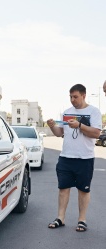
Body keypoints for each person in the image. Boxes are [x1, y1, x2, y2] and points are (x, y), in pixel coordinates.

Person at [47, 84, 102, 232]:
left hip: (85, 158)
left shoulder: (94, 112)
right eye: (70, 97)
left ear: (84, 95)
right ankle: (60, 218)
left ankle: (81, 220)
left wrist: (79, 125)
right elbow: (59, 133)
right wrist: (52, 126)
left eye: (75, 96)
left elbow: (96, 134)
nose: (72, 99)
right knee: (63, 188)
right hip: (66, 157)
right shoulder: (66, 112)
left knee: (83, 190)